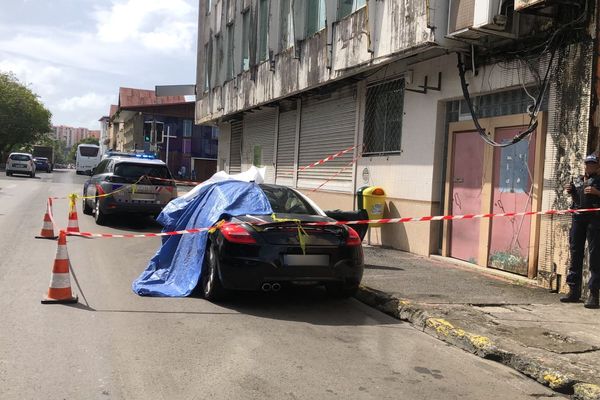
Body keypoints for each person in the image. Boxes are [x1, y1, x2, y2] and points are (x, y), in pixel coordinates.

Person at [561, 153, 600, 308]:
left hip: (594, 219)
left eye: (592, 164)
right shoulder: (578, 179)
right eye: (587, 164)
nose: (589, 166)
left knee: (595, 256)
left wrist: (597, 193)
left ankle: (594, 294)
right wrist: (571, 191)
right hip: (578, 218)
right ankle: (573, 291)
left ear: (597, 166)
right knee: (575, 252)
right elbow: (577, 199)